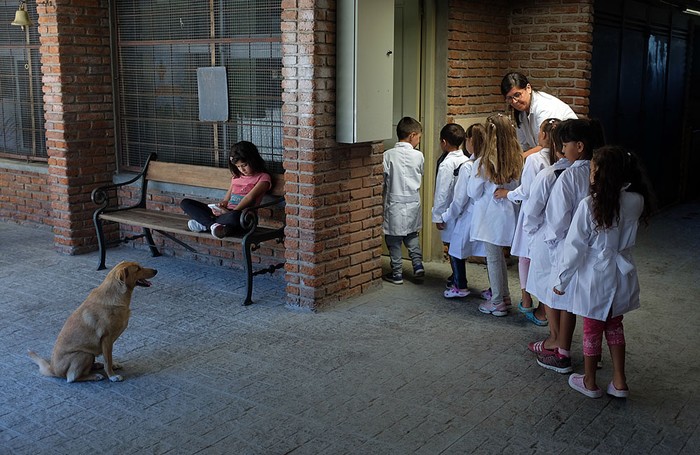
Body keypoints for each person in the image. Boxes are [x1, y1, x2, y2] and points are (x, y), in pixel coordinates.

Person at [553, 146, 654, 398]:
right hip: (622, 274)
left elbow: (574, 248)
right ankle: (620, 381)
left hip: (595, 275)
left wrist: (561, 280)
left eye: (593, 169)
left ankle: (589, 381)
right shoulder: (637, 201)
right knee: (614, 323)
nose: (590, 173)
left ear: (601, 173)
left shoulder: (589, 205)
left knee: (592, 325)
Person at [534, 118, 605, 374]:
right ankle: (592, 355)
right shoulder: (604, 172)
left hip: (567, 246)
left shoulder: (569, 175)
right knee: (587, 304)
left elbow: (556, 221)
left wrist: (550, 242)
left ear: (580, 145)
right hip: (599, 249)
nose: (563, 151)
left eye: (565, 144)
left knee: (563, 299)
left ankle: (562, 353)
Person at [494, 118, 560, 324]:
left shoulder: (535, 160)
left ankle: (526, 299)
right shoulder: (562, 158)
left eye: (540, 131)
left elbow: (527, 191)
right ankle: (541, 305)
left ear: (544, 136)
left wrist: (508, 193)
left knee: (526, 257)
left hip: (533, 213)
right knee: (545, 262)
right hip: (554, 215)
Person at [468, 114, 523, 316]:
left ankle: (498, 300)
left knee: (493, 259)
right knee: (499, 257)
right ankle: (504, 295)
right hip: (508, 215)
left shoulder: (482, 163)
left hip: (489, 218)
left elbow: (472, 192)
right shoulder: (517, 159)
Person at [522, 120, 571, 336]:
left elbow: (532, 210)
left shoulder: (549, 174)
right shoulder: (584, 172)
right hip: (572, 241)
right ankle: (564, 343)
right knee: (566, 295)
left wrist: (532, 231)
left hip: (548, 235)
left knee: (549, 288)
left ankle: (555, 339)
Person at [181, 141, 272, 238]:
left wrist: (229, 212)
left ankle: (205, 224)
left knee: (234, 217)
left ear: (253, 160)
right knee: (185, 203)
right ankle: (212, 225)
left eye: (244, 165)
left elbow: (249, 198)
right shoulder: (236, 177)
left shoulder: (263, 178)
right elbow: (226, 199)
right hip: (225, 215)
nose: (242, 170)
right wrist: (220, 206)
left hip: (243, 217)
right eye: (238, 167)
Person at [441, 124, 487, 298]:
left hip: (468, 214)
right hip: (485, 214)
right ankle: (496, 291)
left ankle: (460, 286)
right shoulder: (489, 161)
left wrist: (445, 215)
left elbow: (460, 199)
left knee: (456, 249)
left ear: (470, 141)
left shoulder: (468, 166)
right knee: (490, 254)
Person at [382, 116, 425, 285]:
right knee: (412, 235)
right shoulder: (419, 156)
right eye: (419, 137)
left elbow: (383, 178)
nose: (418, 140)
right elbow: (419, 173)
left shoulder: (388, 155)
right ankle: (417, 264)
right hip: (413, 201)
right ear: (412, 135)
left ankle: (397, 273)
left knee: (393, 239)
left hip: (394, 202)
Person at [500, 72, 577, 158]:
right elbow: (523, 146)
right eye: (509, 98)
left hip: (569, 157)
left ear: (528, 88)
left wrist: (517, 160)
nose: (514, 101)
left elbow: (546, 146)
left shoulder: (544, 107)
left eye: (517, 95)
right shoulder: (521, 112)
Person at [432, 123, 470, 287]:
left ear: (444, 142)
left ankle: (458, 280)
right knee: (458, 245)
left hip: (450, 211)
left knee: (452, 247)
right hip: (464, 210)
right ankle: (457, 276)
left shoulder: (447, 164)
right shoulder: (467, 159)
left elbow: (442, 192)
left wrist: (438, 216)